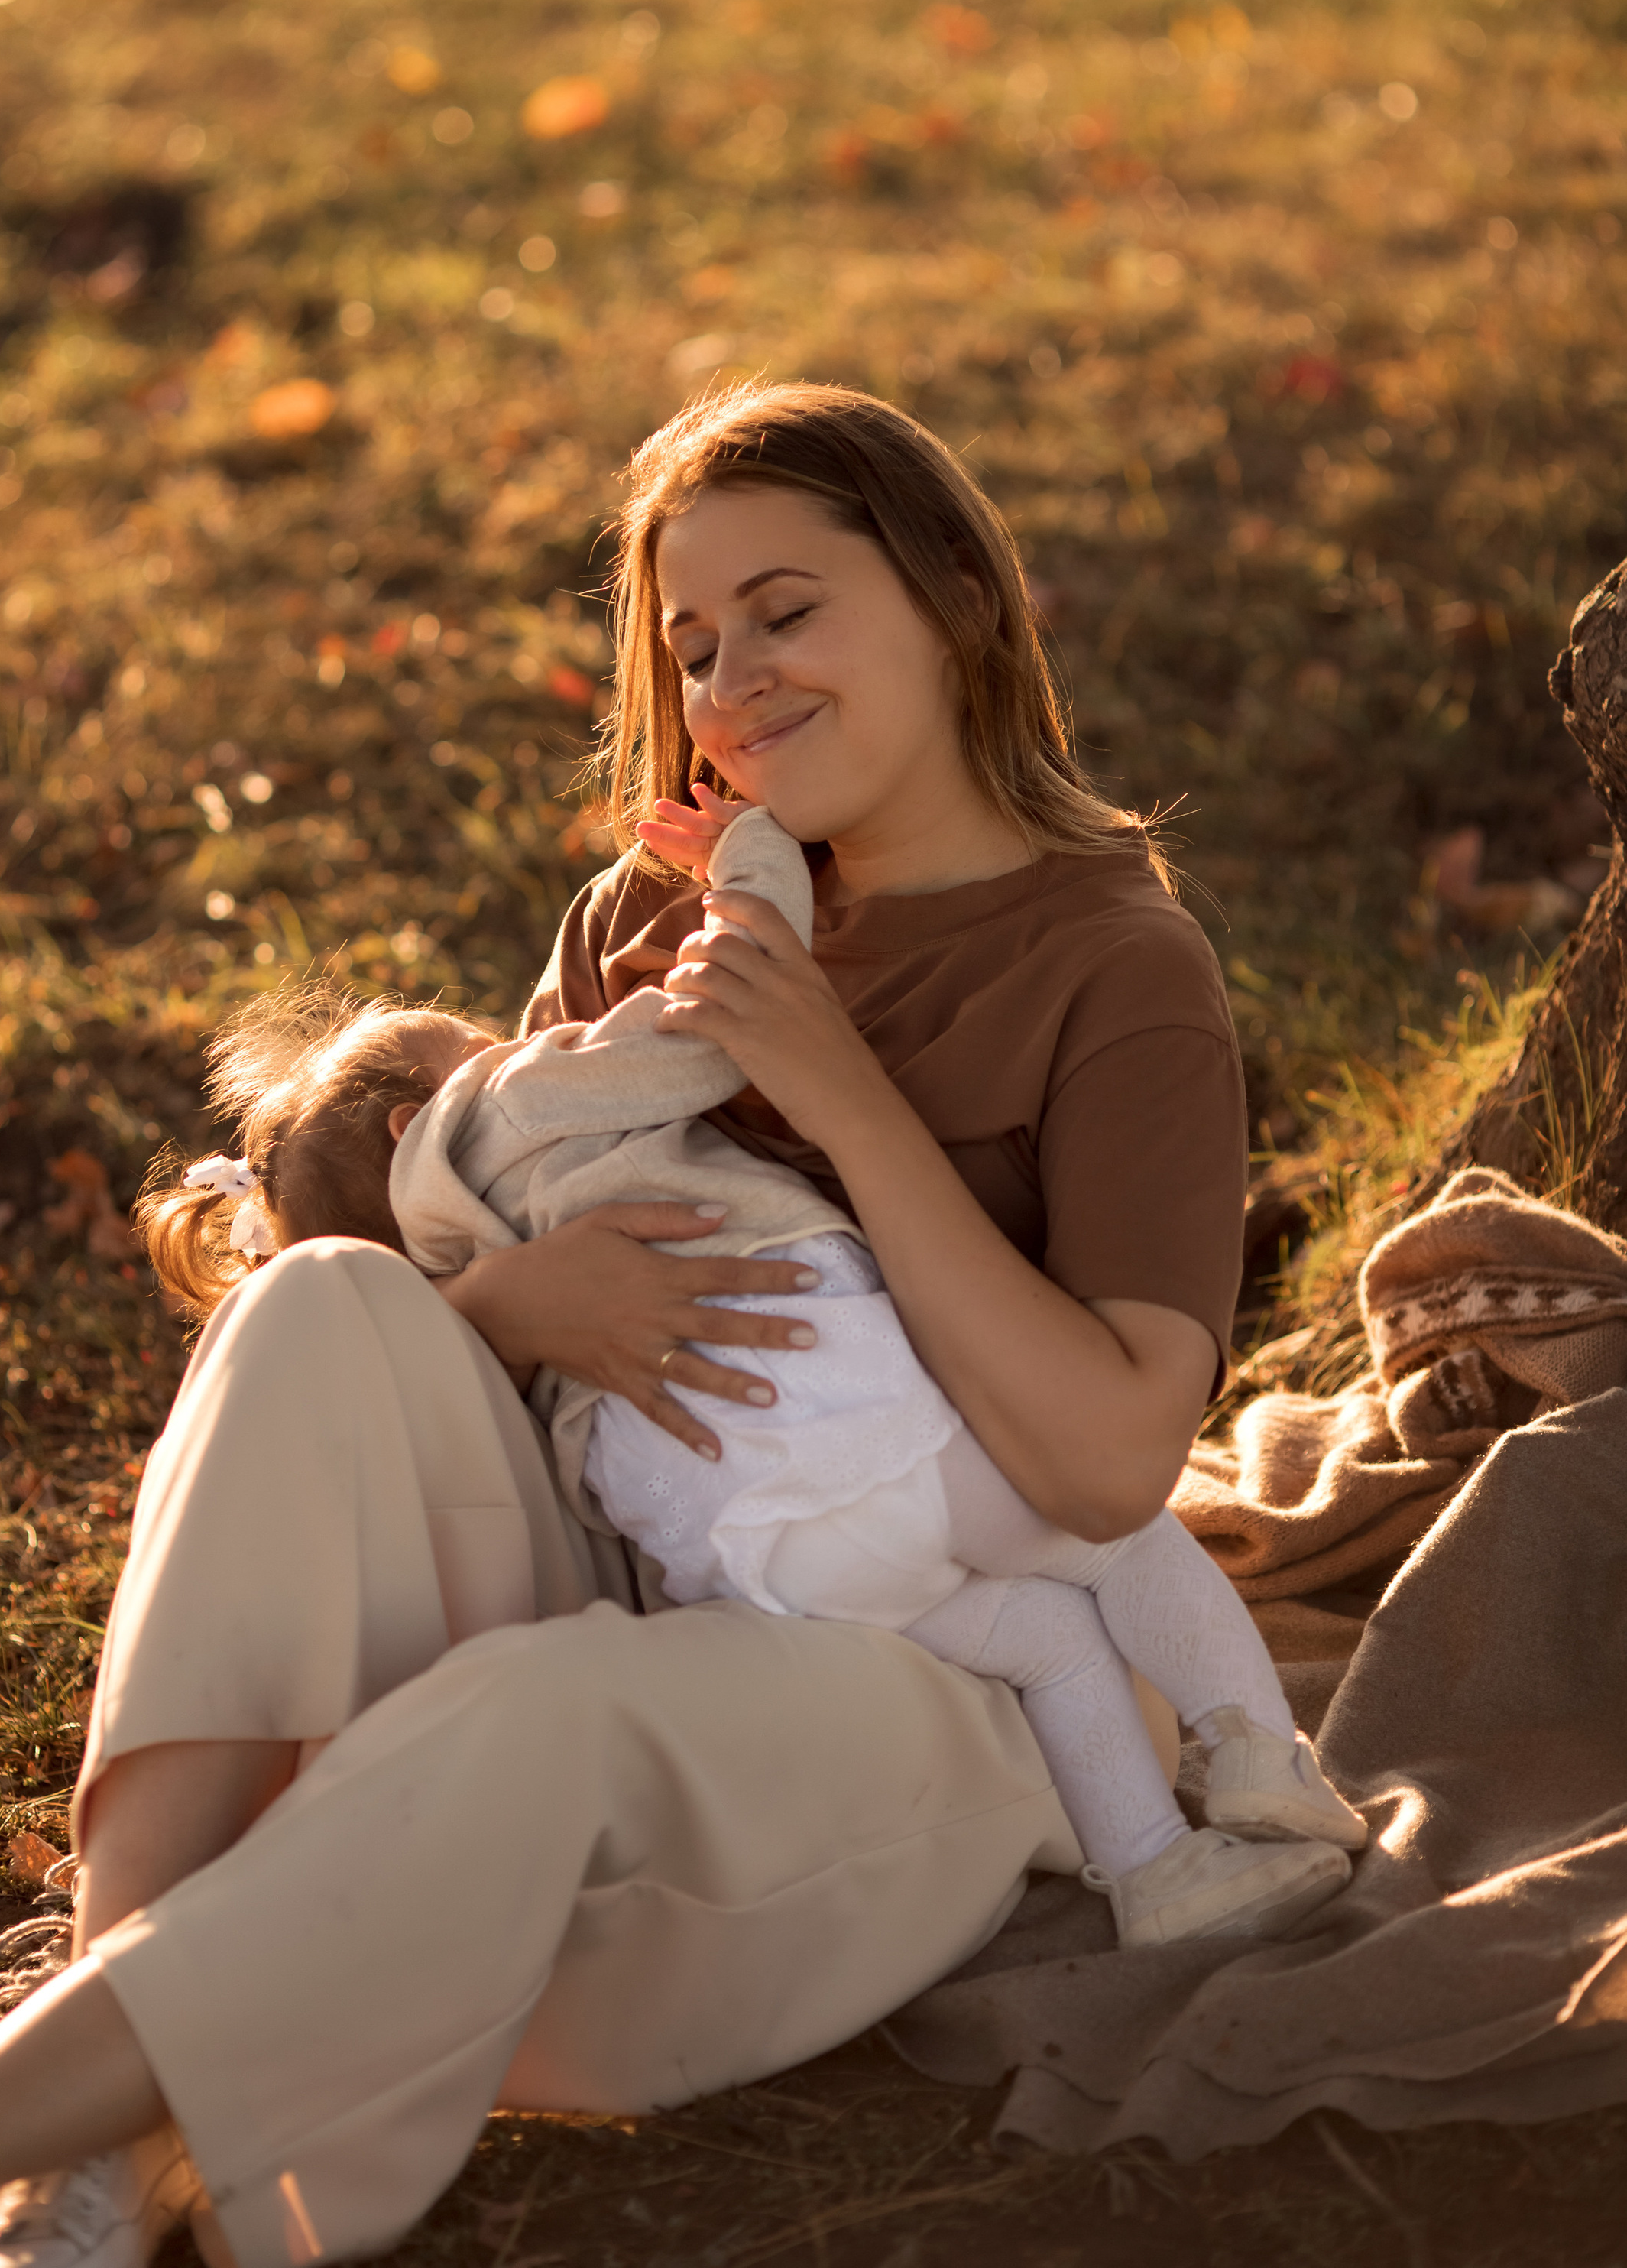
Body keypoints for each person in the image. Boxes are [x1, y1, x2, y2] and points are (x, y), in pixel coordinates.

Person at [0, 382, 1357, 2268]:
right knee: (319, 1300)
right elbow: (499, 1192)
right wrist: (505, 1306)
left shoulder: (1110, 964)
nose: (730, 684)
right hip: (636, 1544)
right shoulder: (645, 912)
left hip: (933, 1673)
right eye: (692, 646)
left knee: (535, 1708)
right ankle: (100, 2112)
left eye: (785, 611)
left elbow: (1113, 1459)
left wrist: (845, 1094)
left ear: (958, 592)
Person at [138, 806, 1362, 1940]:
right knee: (1117, 1544)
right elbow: (697, 1048)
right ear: (420, 1116)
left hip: (748, 1563)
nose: (515, 1036)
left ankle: (1156, 1873)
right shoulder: (512, 1106)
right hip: (842, 1444)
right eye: (471, 1041)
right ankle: (1264, 1760)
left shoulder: (454, 1255)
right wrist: (755, 862)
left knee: (1044, 1640)